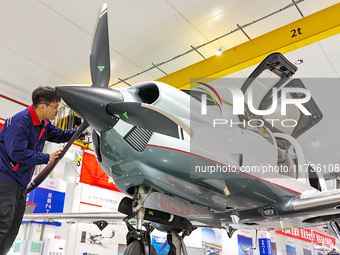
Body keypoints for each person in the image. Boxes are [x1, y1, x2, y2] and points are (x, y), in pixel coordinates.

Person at [0, 86, 82, 254]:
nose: (58, 111)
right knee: (2, 225)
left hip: (19, 185)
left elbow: (60, 135)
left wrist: (81, 131)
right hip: (5, 181)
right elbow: (16, 153)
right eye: (55, 106)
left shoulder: (43, 124)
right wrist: (46, 157)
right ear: (42, 106)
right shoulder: (21, 121)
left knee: (12, 230)